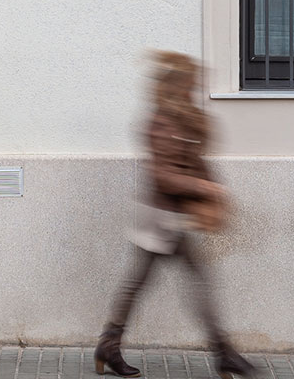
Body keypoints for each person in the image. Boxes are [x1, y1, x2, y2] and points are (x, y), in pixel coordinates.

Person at [95, 51, 253, 378]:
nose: (195, 89)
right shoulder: (160, 122)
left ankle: (110, 345)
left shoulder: (181, 118)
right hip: (160, 218)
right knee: (161, 282)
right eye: (191, 84)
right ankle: (223, 353)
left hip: (173, 216)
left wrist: (212, 188)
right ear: (177, 87)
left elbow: (194, 160)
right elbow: (162, 175)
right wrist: (205, 189)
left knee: (146, 283)